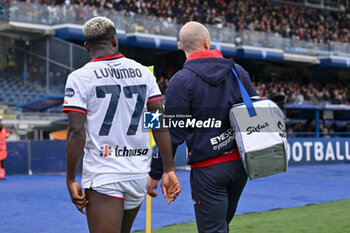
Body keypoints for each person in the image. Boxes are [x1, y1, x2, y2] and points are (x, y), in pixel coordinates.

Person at [63, 16, 180, 233]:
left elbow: (77, 132)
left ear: (87, 46)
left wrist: (70, 178)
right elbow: (157, 122)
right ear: (115, 40)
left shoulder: (79, 78)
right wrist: (169, 168)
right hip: (137, 174)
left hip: (104, 174)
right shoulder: (144, 73)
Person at [148, 21, 257, 233]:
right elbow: (257, 112)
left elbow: (172, 133)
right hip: (240, 166)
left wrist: (155, 172)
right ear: (207, 43)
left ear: (181, 45)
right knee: (220, 227)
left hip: (208, 168)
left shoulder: (181, 80)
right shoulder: (237, 71)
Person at [0, 115, 11, 180]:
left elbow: (6, 134)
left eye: (0, 120)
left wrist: (8, 134)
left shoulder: (3, 129)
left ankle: (1, 175)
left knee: (2, 163)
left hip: (3, 151)